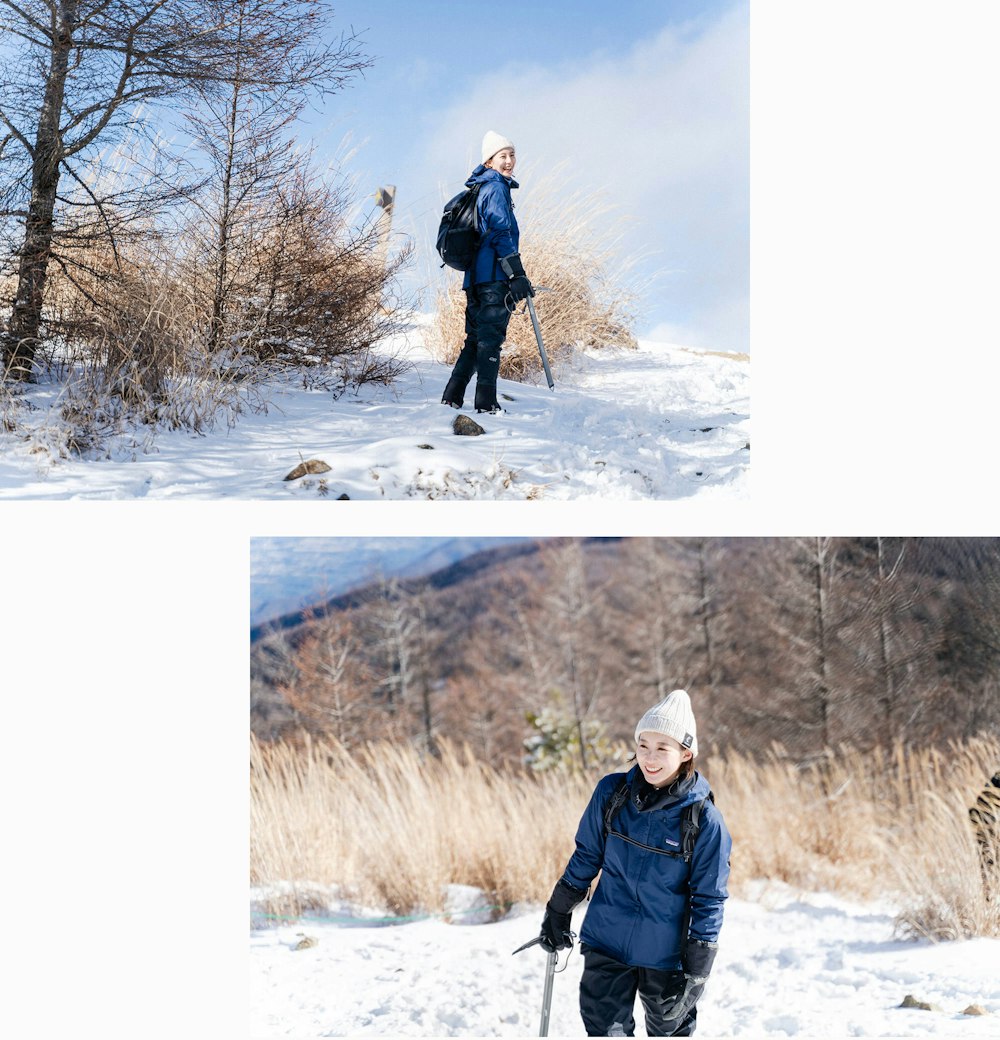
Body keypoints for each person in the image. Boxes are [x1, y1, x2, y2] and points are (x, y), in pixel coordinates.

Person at [537, 690, 731, 1037]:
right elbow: (586, 855)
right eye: (644, 745)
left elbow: (709, 898)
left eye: (662, 748)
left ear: (686, 753)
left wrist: (697, 973)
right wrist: (558, 909)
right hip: (606, 942)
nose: (650, 757)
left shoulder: (705, 821)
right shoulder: (612, 794)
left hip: (665, 956)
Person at [441, 130, 534, 414]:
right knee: (491, 339)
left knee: (475, 338)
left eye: (512, 154)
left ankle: (452, 397)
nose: (509, 161)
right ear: (489, 161)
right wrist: (516, 273)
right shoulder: (495, 187)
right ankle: (486, 403)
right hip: (493, 277)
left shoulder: (482, 186)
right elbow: (499, 231)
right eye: (502, 156)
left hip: (475, 278)